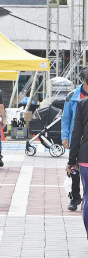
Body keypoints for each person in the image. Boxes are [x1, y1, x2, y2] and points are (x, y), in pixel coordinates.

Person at [62, 67, 88, 211]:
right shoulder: (73, 96)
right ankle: (75, 197)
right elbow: (66, 118)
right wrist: (65, 137)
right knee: (74, 169)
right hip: (76, 137)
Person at [66, 93, 88, 239]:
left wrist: (71, 160)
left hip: (86, 156)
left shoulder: (83, 103)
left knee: (87, 196)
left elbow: (76, 133)